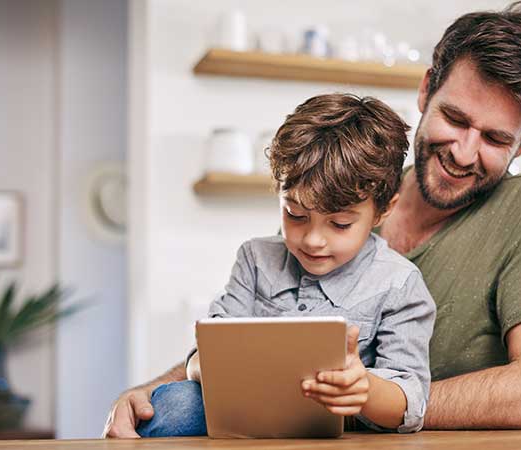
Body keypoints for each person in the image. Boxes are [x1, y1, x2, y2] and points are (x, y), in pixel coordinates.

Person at [103, 1, 521, 437]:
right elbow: (242, 339)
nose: (465, 152)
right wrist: (153, 394)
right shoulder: (340, 196)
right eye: (455, 118)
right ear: (427, 91)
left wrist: (360, 403)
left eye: (495, 139)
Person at [133, 93, 436, 437]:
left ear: (383, 210)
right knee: (176, 403)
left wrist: (364, 388)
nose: (313, 240)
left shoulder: (399, 283)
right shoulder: (256, 259)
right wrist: (207, 366)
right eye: (296, 215)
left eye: (339, 224)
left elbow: (409, 403)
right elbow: (205, 350)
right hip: (244, 415)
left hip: (342, 430)